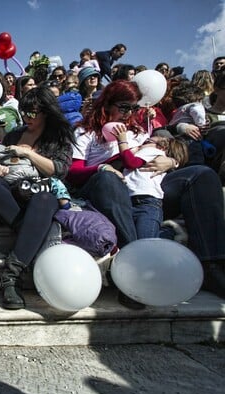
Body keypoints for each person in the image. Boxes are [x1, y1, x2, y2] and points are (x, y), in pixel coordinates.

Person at [67, 79, 225, 304]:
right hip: (106, 188)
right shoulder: (86, 131)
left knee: (202, 174)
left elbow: (159, 152)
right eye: (124, 107)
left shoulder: (138, 132)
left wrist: (171, 162)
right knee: (107, 178)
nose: (128, 113)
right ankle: (137, 265)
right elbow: (73, 171)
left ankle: (211, 262)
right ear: (107, 104)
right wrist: (105, 165)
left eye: (133, 108)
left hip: (147, 188)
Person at [0, 87, 74, 309]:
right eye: (24, 112)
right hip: (10, 192)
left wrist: (28, 153)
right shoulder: (14, 134)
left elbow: (58, 170)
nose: (27, 117)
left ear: (46, 112)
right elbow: (1, 160)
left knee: (45, 198)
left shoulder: (58, 138)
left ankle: (11, 275)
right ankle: (29, 233)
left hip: (39, 195)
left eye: (32, 112)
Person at [107, 125, 188, 238]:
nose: (141, 145)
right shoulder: (152, 152)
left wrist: (122, 141)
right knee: (139, 240)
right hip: (135, 201)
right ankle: (168, 233)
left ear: (162, 147)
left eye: (146, 141)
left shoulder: (152, 151)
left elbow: (131, 162)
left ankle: (171, 232)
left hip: (146, 202)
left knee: (145, 241)